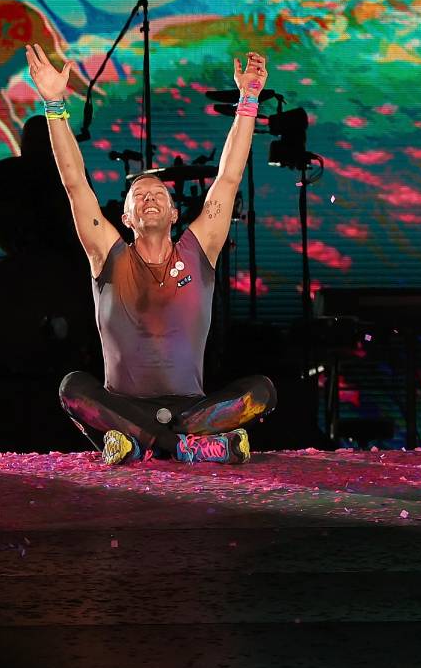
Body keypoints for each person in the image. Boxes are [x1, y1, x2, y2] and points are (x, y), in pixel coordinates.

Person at [25, 44, 277, 466]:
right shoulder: (107, 253)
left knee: (262, 392)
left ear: (176, 212)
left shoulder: (200, 249)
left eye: (157, 193)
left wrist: (248, 99)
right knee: (72, 388)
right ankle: (181, 447)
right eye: (138, 196)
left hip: (192, 411)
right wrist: (54, 103)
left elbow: (229, 177)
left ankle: (143, 443)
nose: (149, 197)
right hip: (123, 407)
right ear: (125, 217)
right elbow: (74, 183)